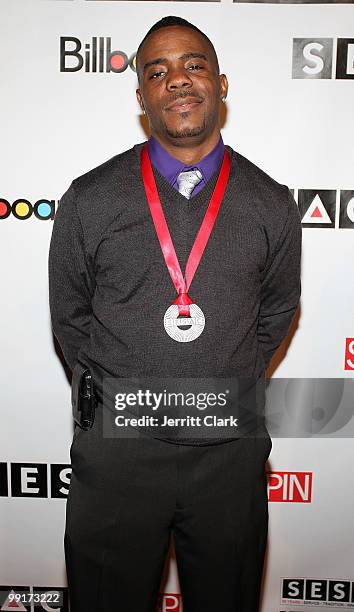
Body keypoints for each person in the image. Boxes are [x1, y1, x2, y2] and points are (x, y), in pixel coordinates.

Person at [48, 15, 302, 612]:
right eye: (157, 72)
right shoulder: (90, 198)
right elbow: (70, 315)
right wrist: (125, 385)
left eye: (194, 66)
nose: (178, 82)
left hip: (227, 454)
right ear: (141, 97)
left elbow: (277, 311)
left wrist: (221, 378)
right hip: (118, 454)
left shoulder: (271, 202)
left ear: (221, 83)